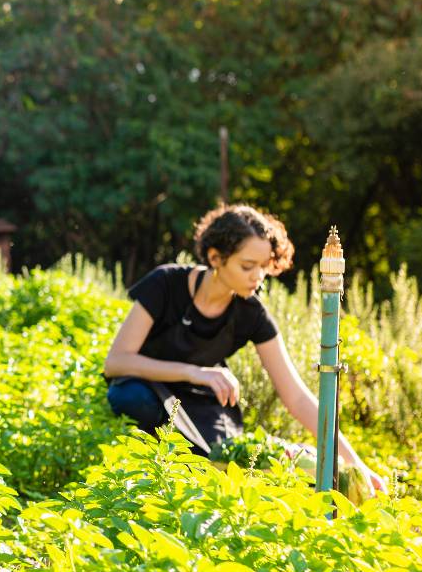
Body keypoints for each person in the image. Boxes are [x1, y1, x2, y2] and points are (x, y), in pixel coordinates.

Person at [103, 204, 385, 493]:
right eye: (247, 266)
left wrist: (355, 464)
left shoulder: (251, 312)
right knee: (129, 397)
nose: (258, 277)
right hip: (149, 387)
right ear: (215, 257)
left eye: (263, 267)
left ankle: (299, 458)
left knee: (225, 462)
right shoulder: (165, 283)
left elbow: (296, 396)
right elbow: (116, 362)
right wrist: (195, 372)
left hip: (204, 404)